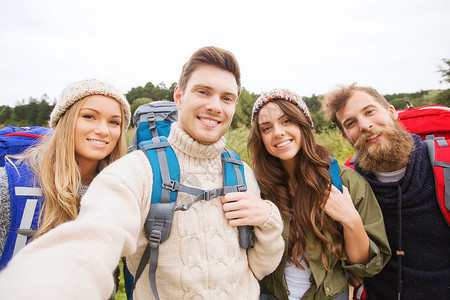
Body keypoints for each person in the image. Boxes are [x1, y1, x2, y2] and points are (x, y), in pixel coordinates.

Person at [0, 46, 284, 300]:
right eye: (203, 91)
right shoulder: (136, 169)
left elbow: (259, 265)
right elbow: (93, 239)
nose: (215, 106)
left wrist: (269, 219)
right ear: (179, 96)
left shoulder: (242, 173)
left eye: (227, 98)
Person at [248, 89, 391, 300]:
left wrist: (351, 220)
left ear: (304, 124)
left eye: (286, 121)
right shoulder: (257, 186)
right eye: (266, 128)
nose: (277, 132)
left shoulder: (344, 181)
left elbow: (365, 267)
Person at [321, 83, 450, 299]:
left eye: (370, 111)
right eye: (351, 123)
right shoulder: (349, 182)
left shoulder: (444, 166)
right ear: (346, 137)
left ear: (392, 112)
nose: (365, 125)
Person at [0, 78, 130, 256]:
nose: (103, 130)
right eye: (89, 116)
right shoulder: (9, 186)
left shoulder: (119, 192)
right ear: (64, 121)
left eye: (114, 122)